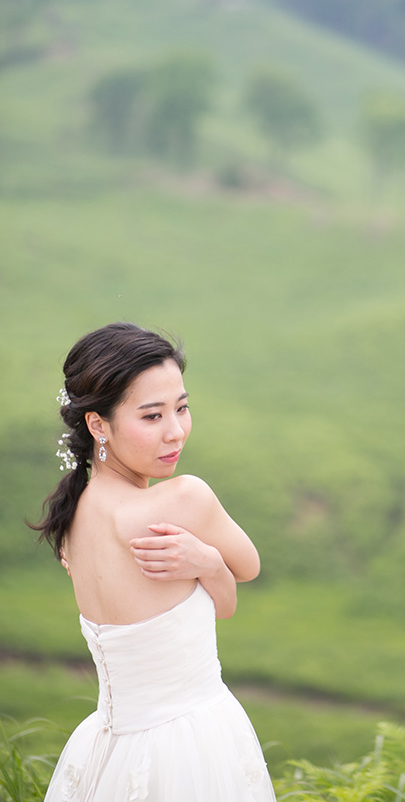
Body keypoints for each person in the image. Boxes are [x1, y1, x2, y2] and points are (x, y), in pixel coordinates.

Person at [31, 322, 276, 801]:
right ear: (97, 424)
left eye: (181, 408)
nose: (176, 431)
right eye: (151, 416)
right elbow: (248, 567)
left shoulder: (73, 515)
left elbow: (207, 606)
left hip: (107, 750)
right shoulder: (185, 499)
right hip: (192, 744)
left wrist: (205, 565)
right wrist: (212, 562)